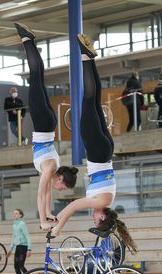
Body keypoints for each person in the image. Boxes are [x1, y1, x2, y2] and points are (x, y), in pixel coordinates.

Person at [49, 35, 135, 247]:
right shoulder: (101, 202)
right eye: (97, 221)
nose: (93, 219)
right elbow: (70, 207)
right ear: (103, 217)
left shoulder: (106, 200)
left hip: (105, 150)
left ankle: (89, 59)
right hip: (97, 151)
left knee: (94, 99)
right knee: (88, 99)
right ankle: (87, 58)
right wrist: (57, 228)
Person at [15, 22, 78, 231]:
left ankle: (29, 40)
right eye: (63, 186)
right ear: (59, 177)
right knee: (35, 75)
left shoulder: (51, 171)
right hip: (43, 124)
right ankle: (27, 40)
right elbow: (40, 194)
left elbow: (48, 194)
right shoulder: (50, 167)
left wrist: (49, 214)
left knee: (38, 76)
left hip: (48, 123)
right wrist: (42, 220)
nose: (60, 190)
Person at [7, 209, 32, 274]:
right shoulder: (14, 225)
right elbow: (13, 238)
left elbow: (27, 236)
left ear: (21, 215)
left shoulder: (22, 224)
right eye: (13, 213)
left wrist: (29, 249)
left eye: (16, 213)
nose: (14, 215)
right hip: (18, 247)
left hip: (23, 247)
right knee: (16, 266)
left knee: (21, 265)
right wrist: (10, 250)